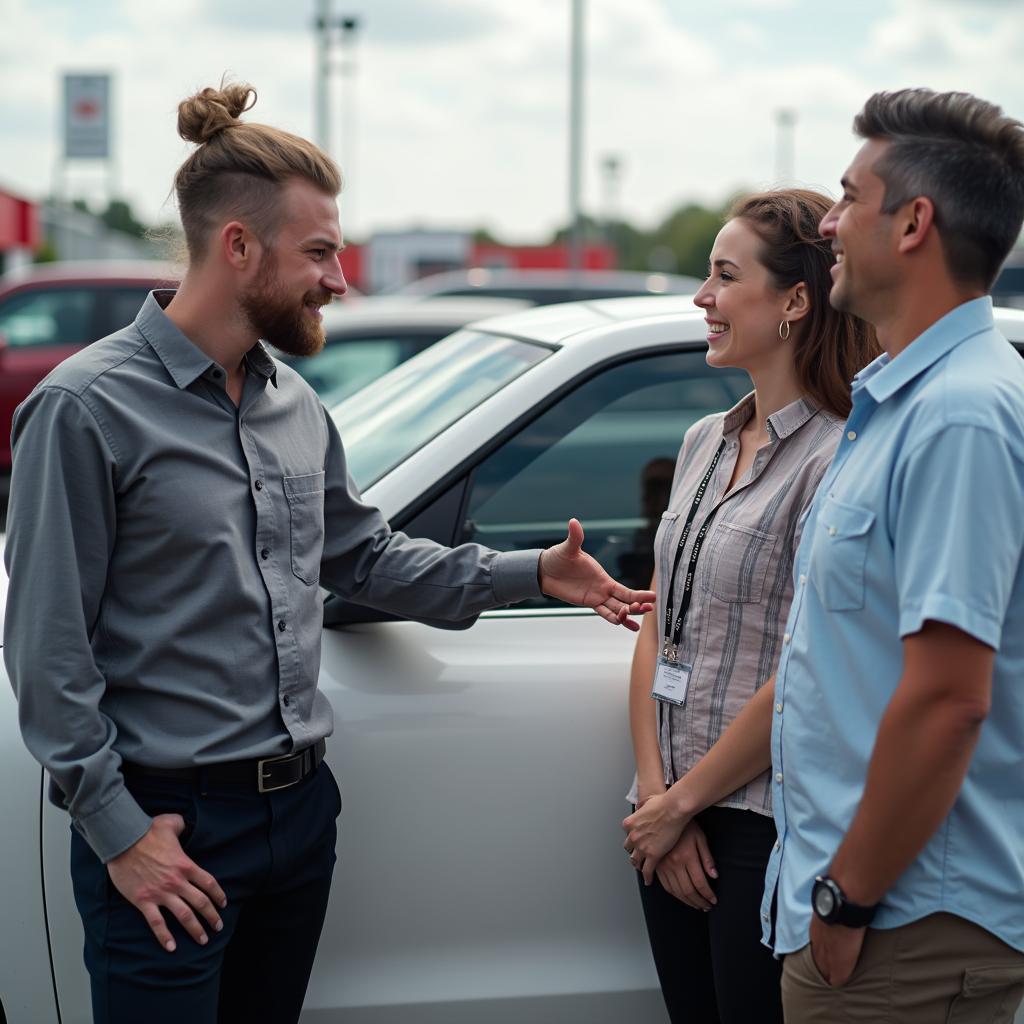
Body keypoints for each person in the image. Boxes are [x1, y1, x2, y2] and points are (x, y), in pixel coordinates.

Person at [2, 82, 655, 1024]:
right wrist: (120, 833)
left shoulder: (292, 405)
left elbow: (366, 559)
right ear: (237, 246)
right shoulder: (84, 408)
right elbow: (47, 652)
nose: (339, 279)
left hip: (298, 820)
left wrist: (531, 574)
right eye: (318, 252)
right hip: (168, 827)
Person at [624, 88, 1024, 1023]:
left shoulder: (960, 414)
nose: (831, 222)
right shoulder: (899, 409)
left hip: (904, 917)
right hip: (852, 897)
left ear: (915, 222)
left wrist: (848, 897)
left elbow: (948, 696)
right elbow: (826, 657)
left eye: (850, 197)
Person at [621, 188, 877, 1023]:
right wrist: (659, 800)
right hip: (663, 814)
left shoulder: (837, 458)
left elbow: (811, 665)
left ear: (795, 301)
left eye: (725, 276)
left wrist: (687, 804)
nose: (702, 297)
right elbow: (662, 617)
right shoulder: (704, 440)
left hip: (758, 824)